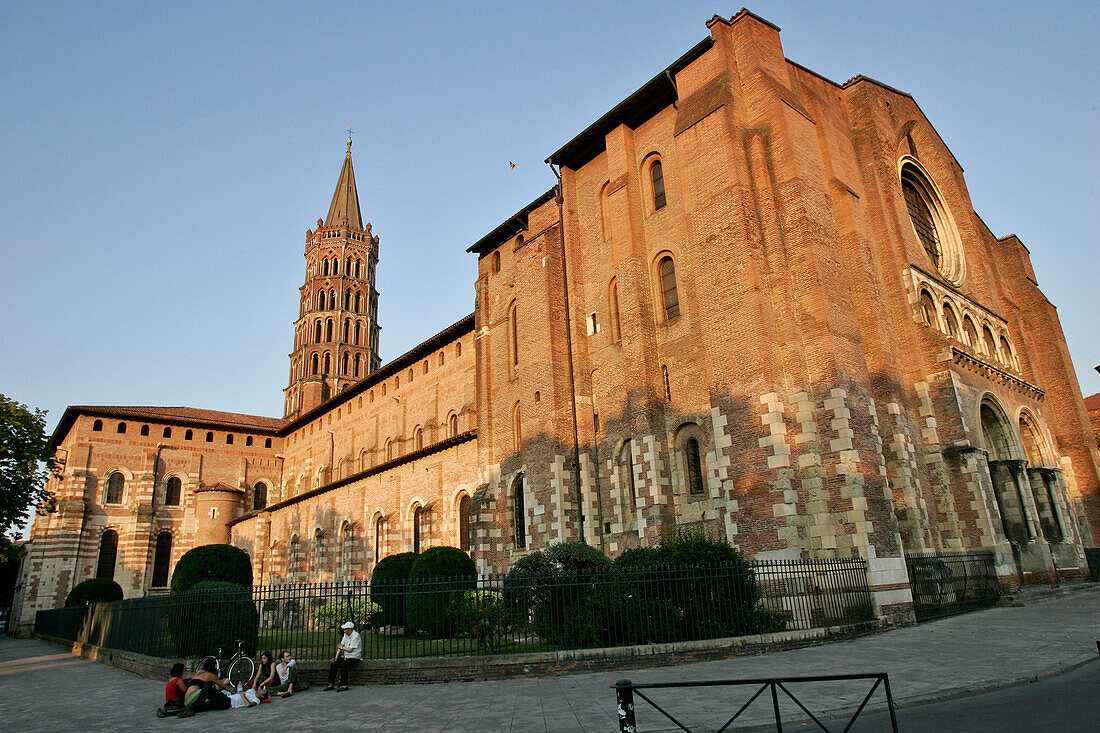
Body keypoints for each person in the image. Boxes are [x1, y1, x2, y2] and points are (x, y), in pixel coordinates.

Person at [324, 621, 362, 691]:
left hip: (354, 657)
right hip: (346, 656)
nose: (344, 631)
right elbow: (340, 646)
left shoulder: (356, 636)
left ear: (350, 629)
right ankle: (330, 684)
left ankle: (344, 685)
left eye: (345, 629)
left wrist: (341, 648)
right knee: (334, 664)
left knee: (344, 664)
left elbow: (350, 649)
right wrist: (336, 657)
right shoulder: (345, 635)